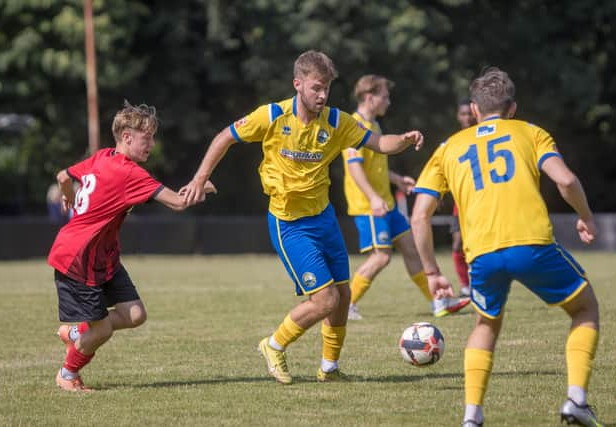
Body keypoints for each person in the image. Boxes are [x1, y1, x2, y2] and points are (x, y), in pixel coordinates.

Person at [181, 50, 424, 385]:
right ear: (298, 84)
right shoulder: (272, 116)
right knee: (325, 300)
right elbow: (224, 137)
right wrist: (198, 178)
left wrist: (404, 140)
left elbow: (380, 142)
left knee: (343, 296)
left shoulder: (338, 122)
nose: (322, 95)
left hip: (323, 218)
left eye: (326, 88)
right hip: (289, 223)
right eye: (315, 88)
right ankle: (273, 344)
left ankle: (329, 369)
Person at [411, 67, 603, 426]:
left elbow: (419, 216)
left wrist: (433, 272)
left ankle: (472, 417)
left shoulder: (448, 148)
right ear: (512, 108)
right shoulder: (531, 132)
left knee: (486, 323)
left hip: (481, 255)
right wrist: (586, 216)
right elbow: (566, 180)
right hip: (532, 244)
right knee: (585, 308)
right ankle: (576, 399)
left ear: (473, 108)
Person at [48, 101, 216, 391]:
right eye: (146, 137)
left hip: (103, 256)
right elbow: (177, 202)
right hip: (79, 258)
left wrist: (67, 196)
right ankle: (67, 373)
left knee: (135, 314)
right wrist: (203, 186)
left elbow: (64, 176)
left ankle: (75, 332)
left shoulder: (103, 156)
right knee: (102, 330)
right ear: (127, 137)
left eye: (152, 136)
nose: (151, 143)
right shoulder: (128, 173)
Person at [342, 75, 469, 320]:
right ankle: (345, 305)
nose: (388, 102)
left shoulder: (375, 127)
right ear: (370, 98)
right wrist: (373, 198)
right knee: (381, 257)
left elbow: (373, 166)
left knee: (412, 249)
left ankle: (438, 302)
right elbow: (355, 167)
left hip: (386, 203)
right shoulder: (354, 126)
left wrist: (397, 179)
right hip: (369, 207)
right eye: (385, 97)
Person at [450, 99, 477, 297]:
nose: (467, 117)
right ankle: (465, 286)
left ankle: (480, 284)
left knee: (477, 243)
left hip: (480, 200)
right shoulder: (454, 141)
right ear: (458, 116)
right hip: (460, 202)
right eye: (463, 114)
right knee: (457, 244)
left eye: (470, 113)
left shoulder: (482, 136)